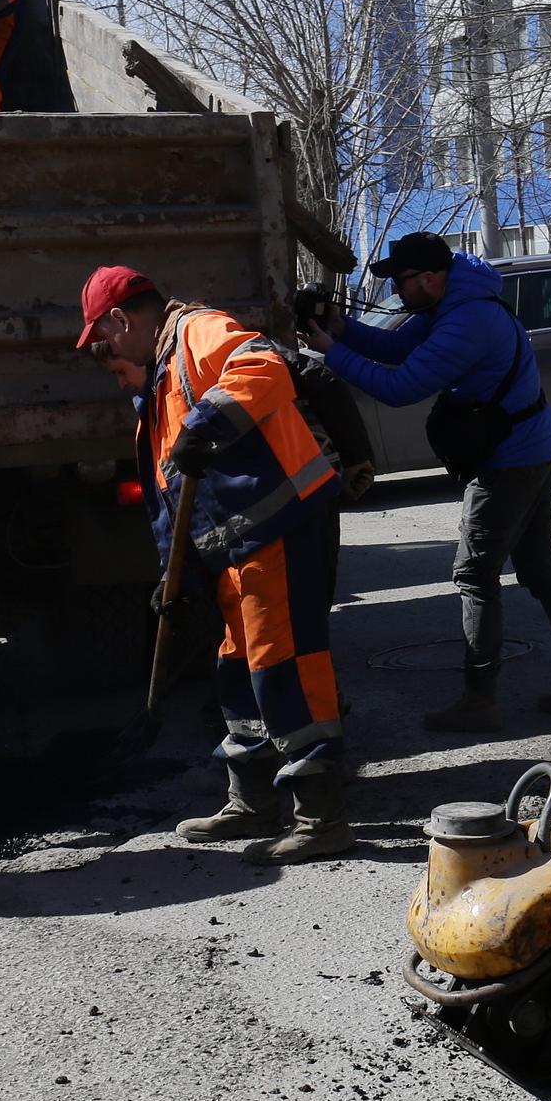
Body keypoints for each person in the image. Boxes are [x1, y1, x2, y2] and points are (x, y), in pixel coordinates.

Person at [79, 265, 354, 863]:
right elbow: (171, 495)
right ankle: (252, 802)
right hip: (235, 548)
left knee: (286, 664)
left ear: (122, 319)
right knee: (236, 668)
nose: (106, 352)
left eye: (103, 338)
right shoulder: (155, 384)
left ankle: (320, 815)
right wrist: (172, 579)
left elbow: (264, 367)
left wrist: (207, 424)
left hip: (276, 529)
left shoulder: (196, 332)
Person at [300, 232, 551, 728]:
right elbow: (400, 346)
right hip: (533, 446)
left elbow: (399, 386)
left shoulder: (467, 320)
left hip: (511, 461)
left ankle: (480, 701)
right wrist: (344, 330)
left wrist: (332, 353)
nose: (396, 293)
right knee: (538, 569)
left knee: (475, 576)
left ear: (429, 277)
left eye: (400, 282)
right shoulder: (458, 297)